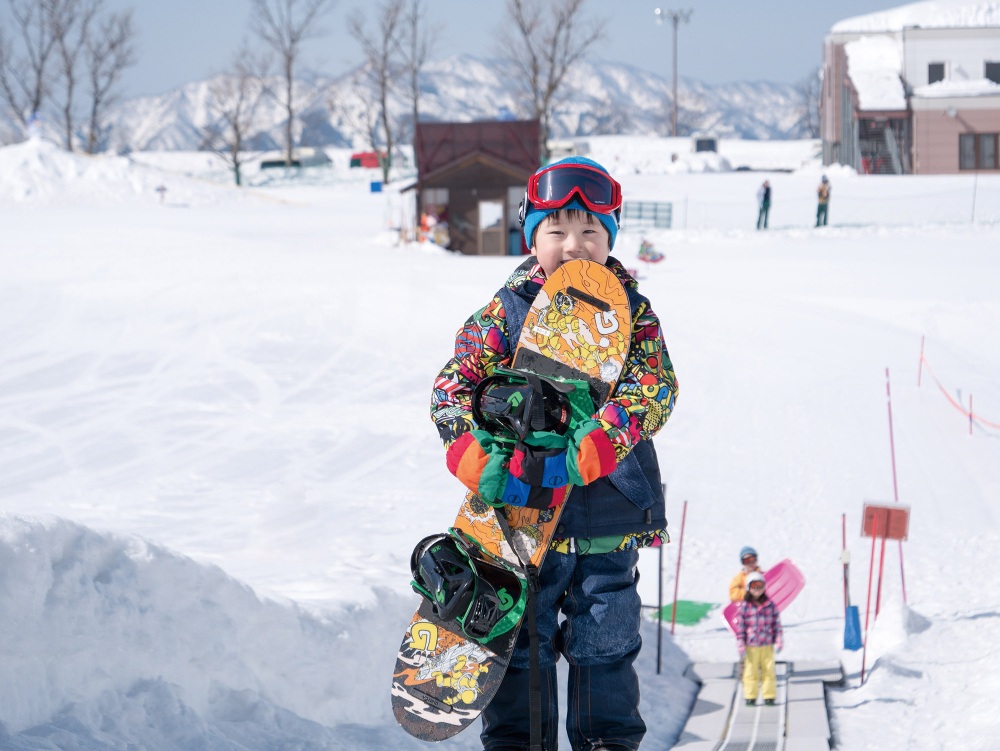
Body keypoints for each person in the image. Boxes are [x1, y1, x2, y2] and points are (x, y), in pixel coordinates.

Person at [431, 156, 679, 751]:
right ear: (531, 236)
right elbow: (450, 388)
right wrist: (473, 455)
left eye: (592, 232)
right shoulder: (505, 313)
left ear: (611, 238)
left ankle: (606, 743)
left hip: (606, 524)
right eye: (558, 231)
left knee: (607, 647)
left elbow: (655, 388)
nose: (575, 245)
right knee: (519, 648)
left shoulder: (631, 313)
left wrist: (592, 449)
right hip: (518, 519)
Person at [734, 572, 783, 706]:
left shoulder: (770, 605)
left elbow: (776, 625)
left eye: (760, 585)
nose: (757, 589)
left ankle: (769, 695)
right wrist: (741, 645)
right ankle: (750, 696)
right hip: (751, 646)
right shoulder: (745, 606)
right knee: (750, 671)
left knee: (769, 670)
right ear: (749, 588)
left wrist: (778, 641)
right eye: (754, 586)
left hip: (767, 645)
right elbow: (741, 628)